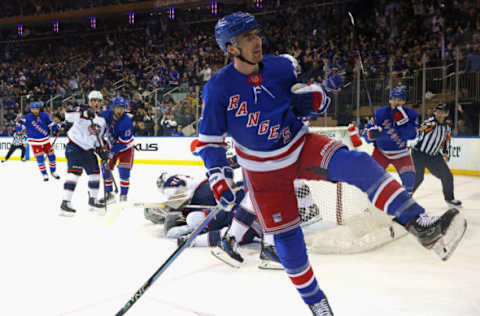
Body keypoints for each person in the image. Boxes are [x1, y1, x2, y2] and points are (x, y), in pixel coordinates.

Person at [195, 12, 466, 315]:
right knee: (287, 240)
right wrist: (218, 176)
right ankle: (317, 304)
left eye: (256, 34)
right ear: (230, 48)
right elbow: (209, 140)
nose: (257, 41)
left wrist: (316, 98)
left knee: (359, 165)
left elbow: (308, 99)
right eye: (247, 38)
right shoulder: (218, 88)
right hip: (262, 172)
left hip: (299, 145)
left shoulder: (281, 66)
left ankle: (419, 224)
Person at [361, 87, 418, 194]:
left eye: (400, 99)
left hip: (401, 153)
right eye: (394, 99)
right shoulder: (380, 113)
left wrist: (403, 122)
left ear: (404, 101)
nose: (397, 102)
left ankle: (405, 205)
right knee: (371, 180)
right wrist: (371, 134)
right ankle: (370, 205)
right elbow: (365, 133)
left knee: (409, 181)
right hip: (381, 152)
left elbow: (412, 136)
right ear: (390, 100)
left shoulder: (411, 114)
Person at [60, 90, 107, 216]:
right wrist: (83, 113)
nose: (96, 103)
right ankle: (65, 203)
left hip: (88, 150)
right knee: (74, 174)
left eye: (98, 101)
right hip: (74, 147)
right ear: (89, 101)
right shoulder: (81, 109)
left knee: (95, 174)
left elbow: (98, 138)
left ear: (101, 103)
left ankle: (93, 200)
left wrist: (102, 150)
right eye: (93, 100)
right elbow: (68, 116)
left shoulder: (101, 120)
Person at [412, 103, 461, 208]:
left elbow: (445, 141)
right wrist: (420, 129)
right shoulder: (430, 123)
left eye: (442, 112)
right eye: (438, 112)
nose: (440, 114)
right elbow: (419, 131)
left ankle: (450, 198)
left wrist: (445, 153)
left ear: (446, 114)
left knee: (447, 176)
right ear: (435, 112)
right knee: (418, 178)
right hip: (419, 154)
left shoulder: (447, 128)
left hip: (434, 156)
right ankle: (405, 197)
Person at [101, 96, 135, 203]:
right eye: (117, 108)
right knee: (106, 168)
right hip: (111, 145)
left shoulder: (127, 122)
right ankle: (109, 193)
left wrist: (111, 153)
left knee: (124, 171)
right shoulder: (107, 114)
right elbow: (96, 116)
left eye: (121, 108)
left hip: (126, 148)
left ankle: (123, 195)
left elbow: (122, 143)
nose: (119, 110)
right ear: (113, 108)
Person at [19, 101, 60, 181]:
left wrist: (55, 128)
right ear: (31, 109)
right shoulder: (27, 117)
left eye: (37, 109)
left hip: (45, 140)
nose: (35, 110)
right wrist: (18, 129)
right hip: (34, 141)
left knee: (52, 156)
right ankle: (44, 174)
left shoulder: (44, 115)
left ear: (39, 109)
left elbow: (50, 124)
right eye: (33, 109)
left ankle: (53, 171)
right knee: (40, 158)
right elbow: (20, 125)